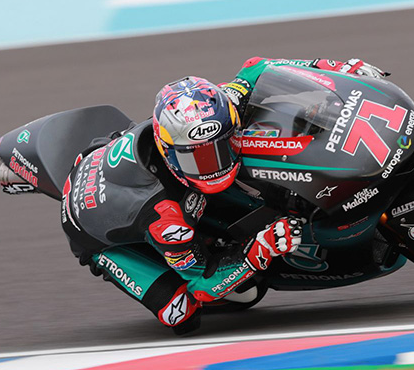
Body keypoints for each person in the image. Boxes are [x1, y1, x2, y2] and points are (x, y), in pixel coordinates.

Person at [61, 57, 388, 334]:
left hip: (114, 158)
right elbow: (200, 283)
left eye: (222, 146)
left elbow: (259, 68)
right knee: (181, 313)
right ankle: (128, 260)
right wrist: (259, 249)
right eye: (197, 158)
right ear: (171, 154)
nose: (213, 165)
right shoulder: (164, 217)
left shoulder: (218, 107)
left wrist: (334, 67)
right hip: (92, 230)